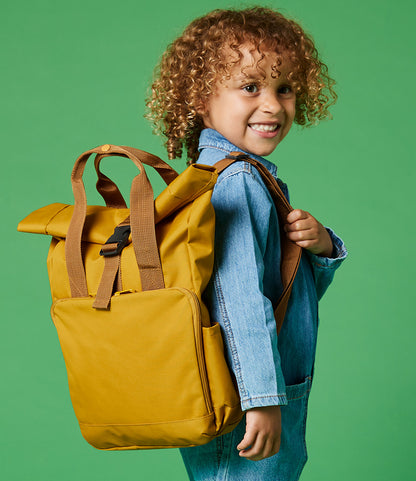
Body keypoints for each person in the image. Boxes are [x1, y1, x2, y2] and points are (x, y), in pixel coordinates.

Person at [146, 6, 348, 480]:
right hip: (248, 395)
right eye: (251, 87)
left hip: (265, 387)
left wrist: (321, 247)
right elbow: (239, 302)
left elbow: (287, 298)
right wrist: (261, 399)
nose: (273, 105)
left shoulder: (239, 177)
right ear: (201, 97)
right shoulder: (237, 181)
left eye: (285, 88)